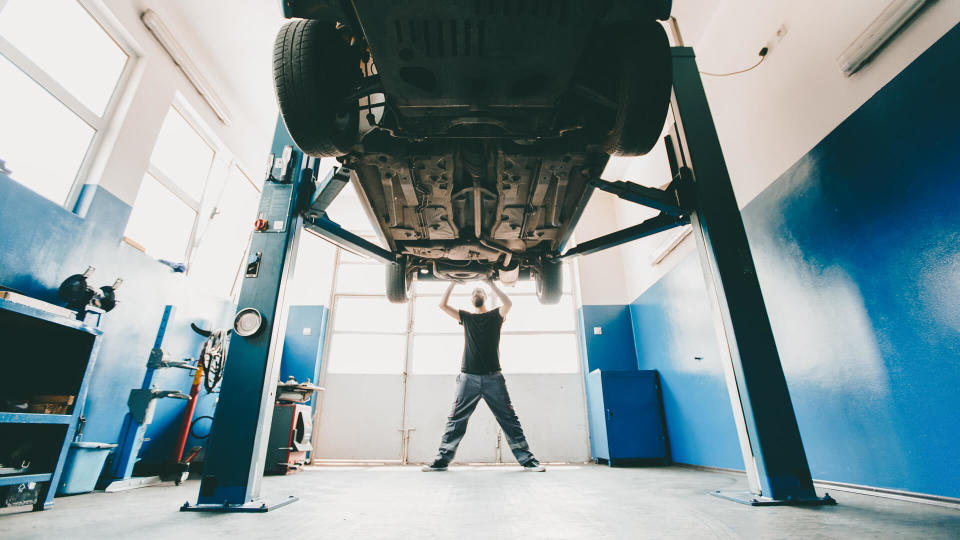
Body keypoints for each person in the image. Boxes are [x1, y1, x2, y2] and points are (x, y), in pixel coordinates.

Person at [421, 278, 545, 472]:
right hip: (467, 378)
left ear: (485, 297)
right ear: (471, 300)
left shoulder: (497, 316)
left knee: (509, 418)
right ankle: (441, 461)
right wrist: (453, 283)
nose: (476, 294)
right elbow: (442, 305)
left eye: (479, 292)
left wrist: (491, 283)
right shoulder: (467, 318)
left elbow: (508, 304)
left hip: (493, 378)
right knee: (455, 420)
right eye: (473, 293)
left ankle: (528, 460)